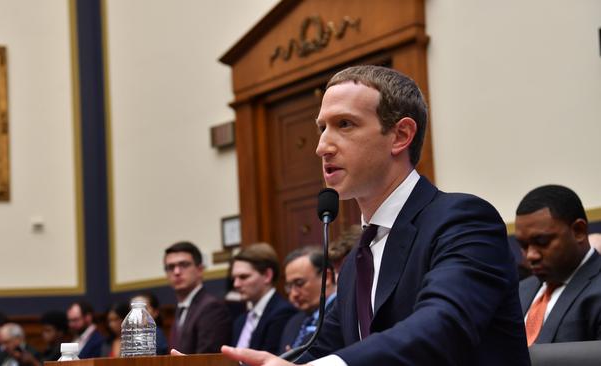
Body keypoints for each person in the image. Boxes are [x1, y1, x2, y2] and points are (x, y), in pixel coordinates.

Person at [221, 65, 529, 365]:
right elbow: (324, 353)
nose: (322, 147)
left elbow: (442, 326)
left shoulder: (464, 220)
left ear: (400, 136)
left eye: (345, 124)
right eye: (322, 128)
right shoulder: (357, 261)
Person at [515, 185, 601, 344]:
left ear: (578, 231)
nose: (530, 255)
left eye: (541, 242)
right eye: (523, 246)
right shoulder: (519, 291)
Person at [164, 241, 232, 353]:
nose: (176, 272)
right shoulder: (182, 307)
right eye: (171, 267)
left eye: (184, 265)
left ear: (200, 270)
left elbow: (207, 360)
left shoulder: (212, 308)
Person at [230, 243, 297, 354]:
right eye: (234, 278)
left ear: (267, 275)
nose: (236, 284)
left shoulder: (283, 313)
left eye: (243, 277)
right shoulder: (240, 321)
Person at [280, 246, 336, 353]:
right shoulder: (294, 321)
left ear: (326, 278)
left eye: (299, 283)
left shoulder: (343, 315)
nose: (293, 294)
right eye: (289, 286)